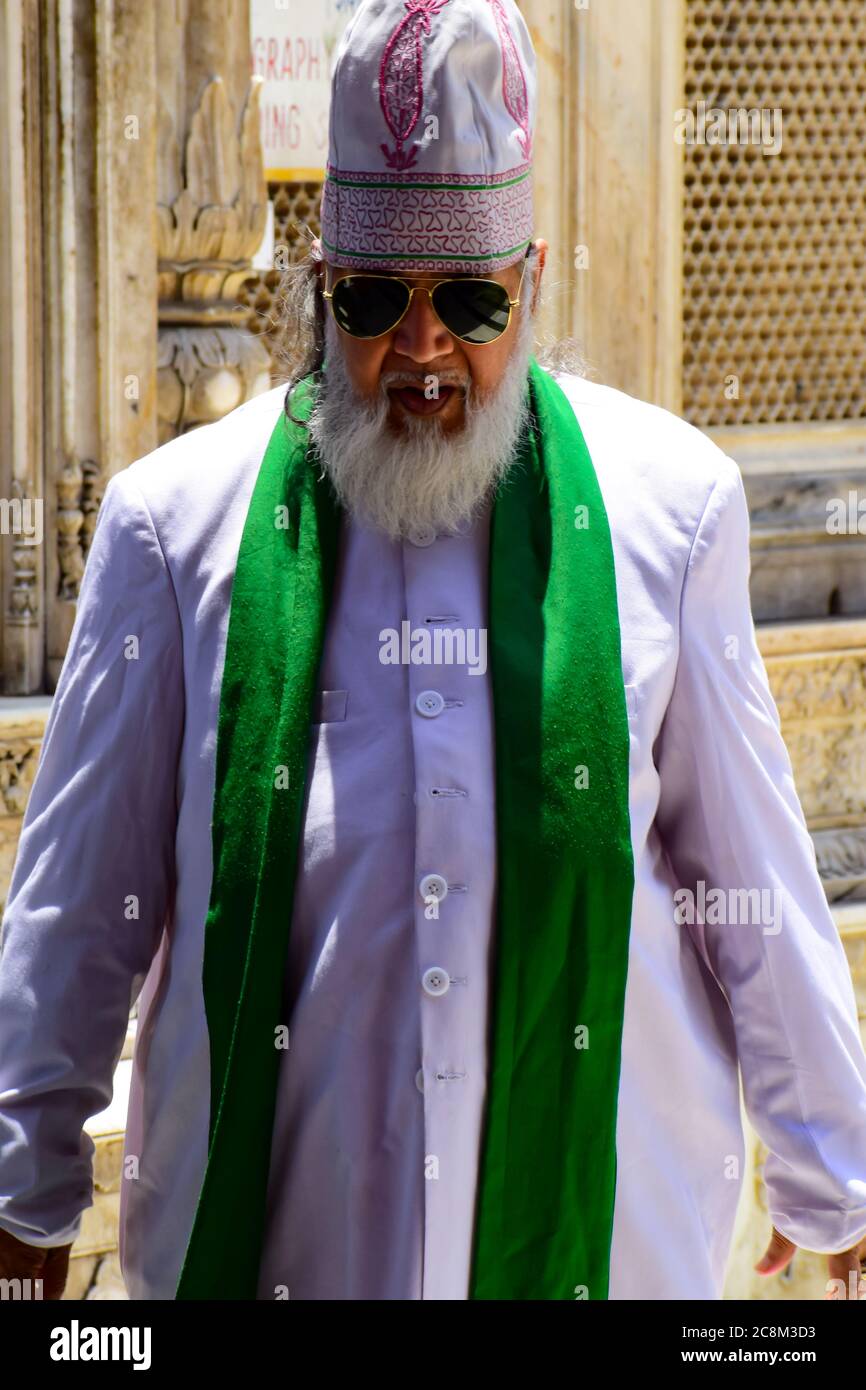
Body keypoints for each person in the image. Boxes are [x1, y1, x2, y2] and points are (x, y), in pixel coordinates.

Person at [1, 0, 865, 1302]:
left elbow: (745, 876)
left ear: (529, 280)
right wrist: (23, 1188)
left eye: (467, 298)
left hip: (606, 1250)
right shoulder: (170, 527)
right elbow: (79, 909)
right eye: (371, 299)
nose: (419, 347)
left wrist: (833, 1174)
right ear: (316, 287)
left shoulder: (666, 510)